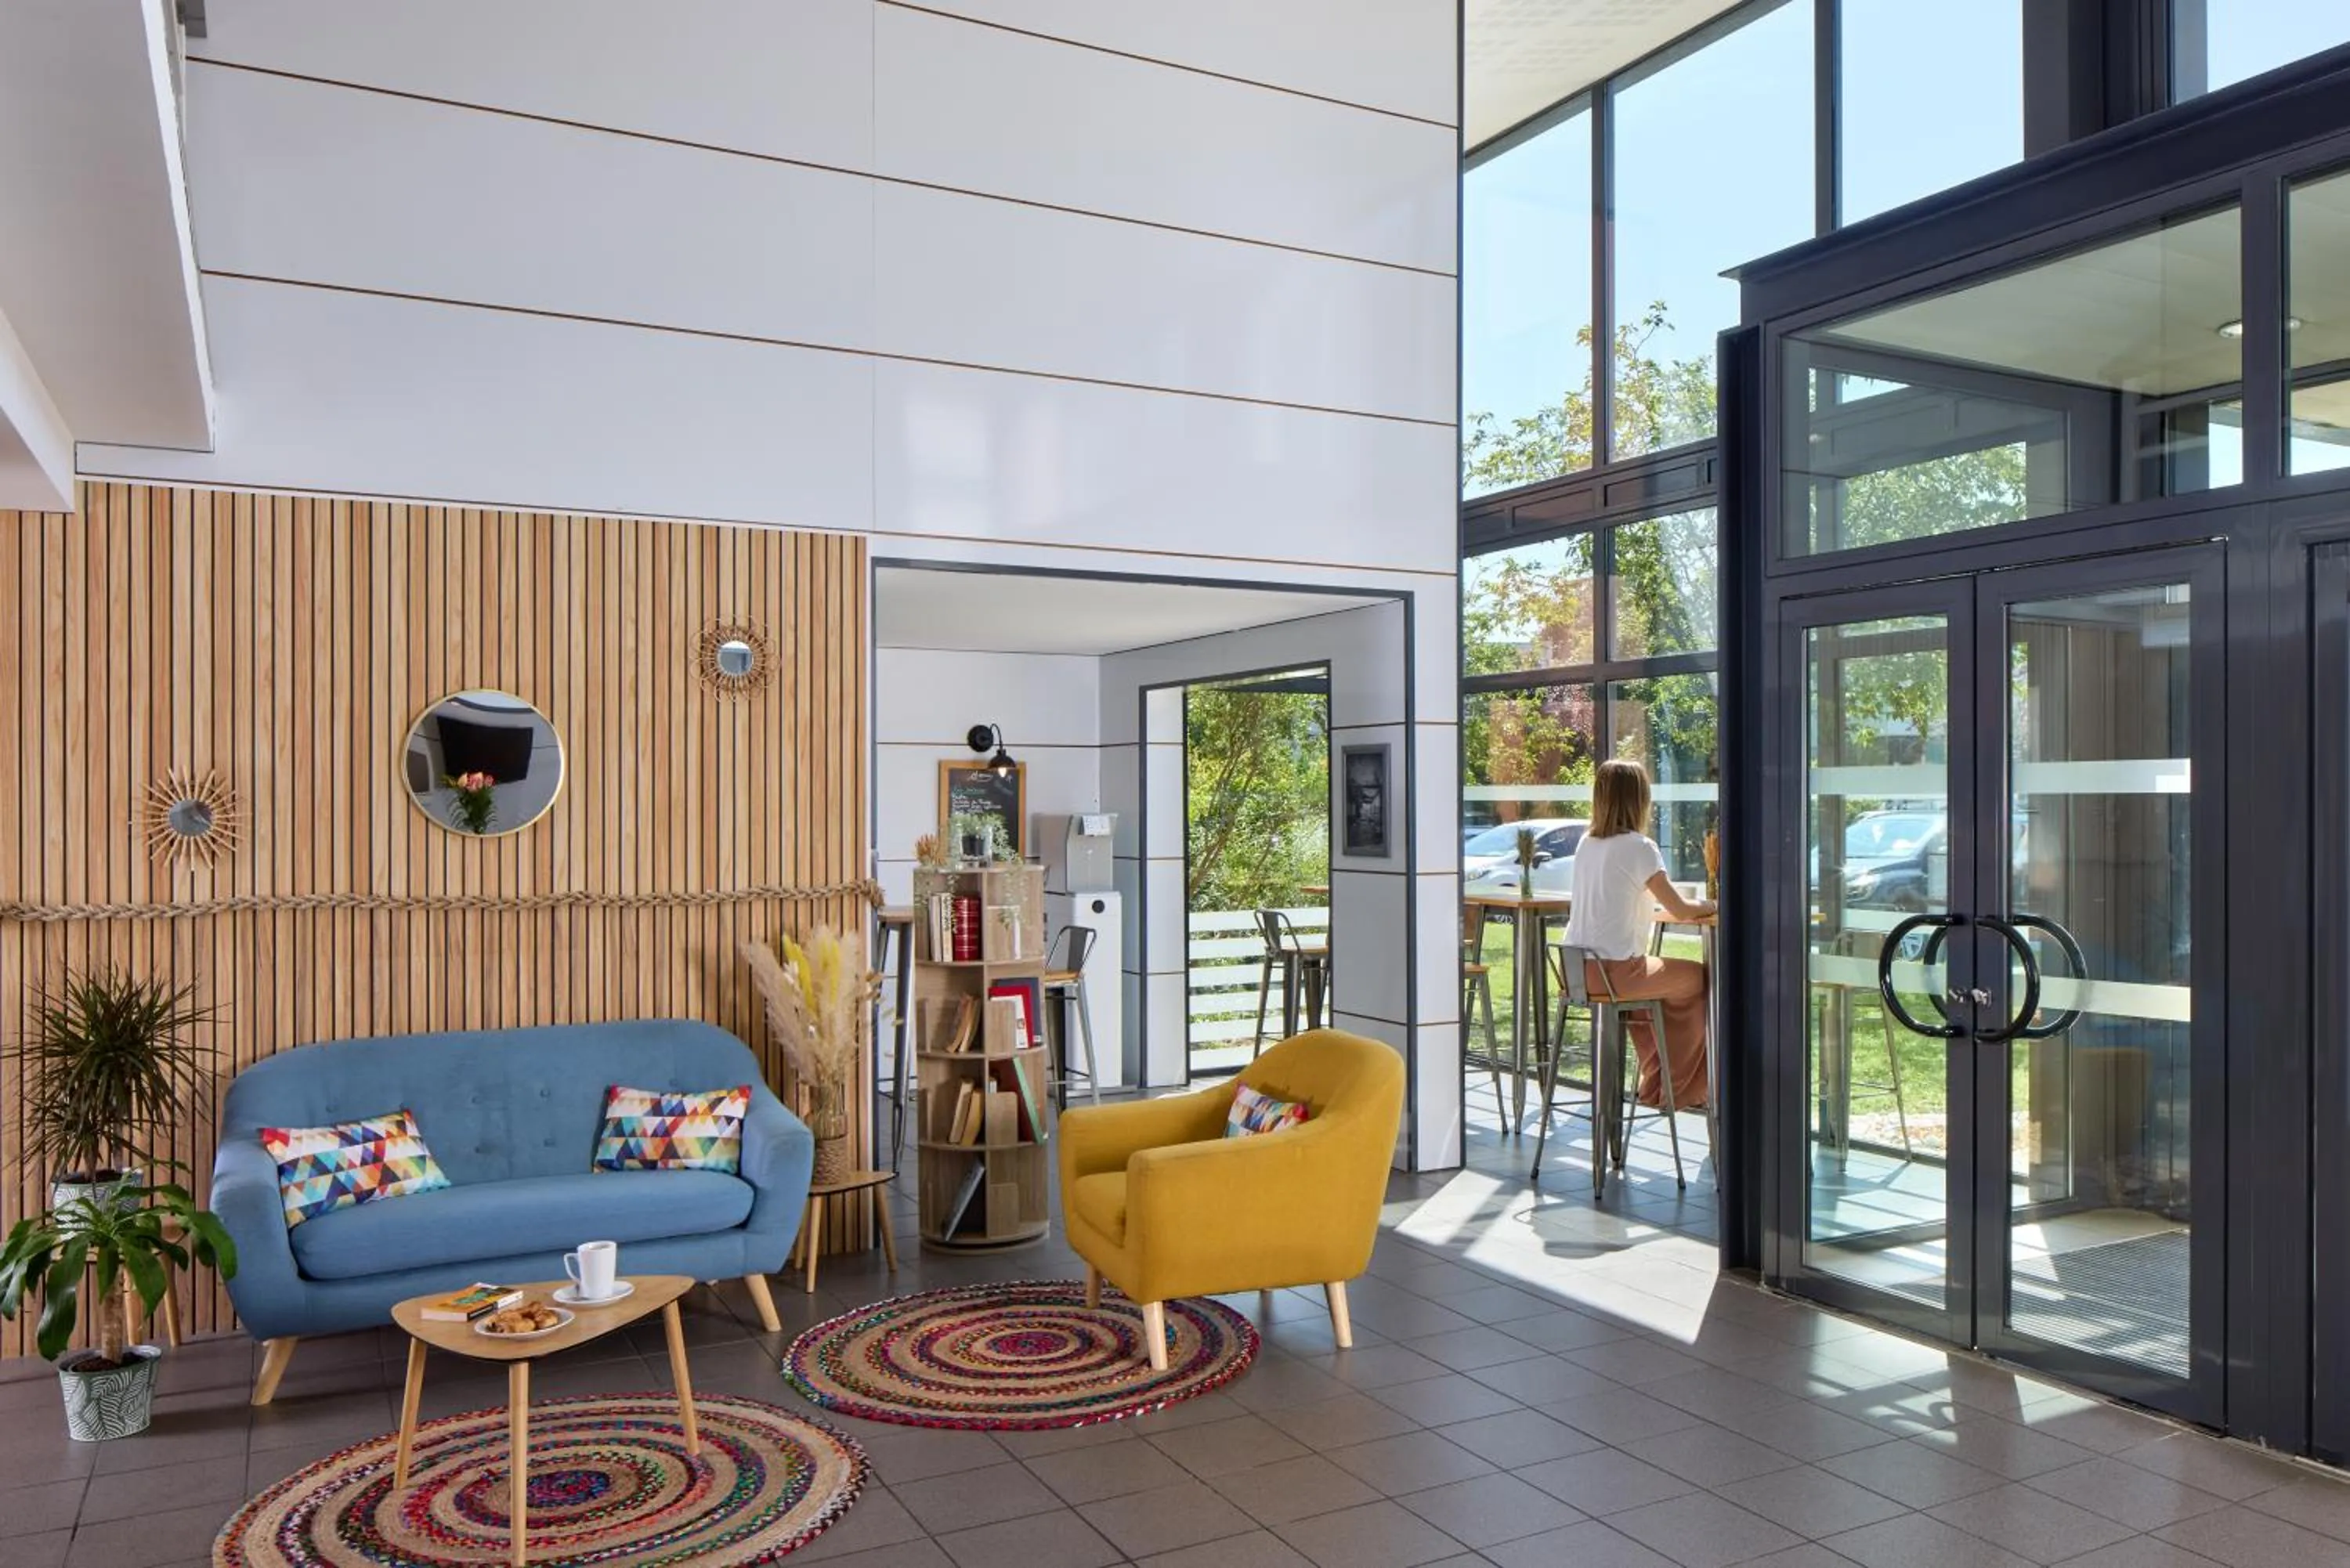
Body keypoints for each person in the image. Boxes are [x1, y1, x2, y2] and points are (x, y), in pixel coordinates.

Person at [1560, 759, 1716, 1110]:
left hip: (1577, 973)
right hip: (1617, 974)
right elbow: (1680, 910)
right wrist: (1714, 905)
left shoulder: (1587, 843)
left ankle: (1657, 1080)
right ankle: (1681, 1089)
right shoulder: (1640, 847)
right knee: (1703, 980)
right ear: (1640, 799)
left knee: (1655, 996)